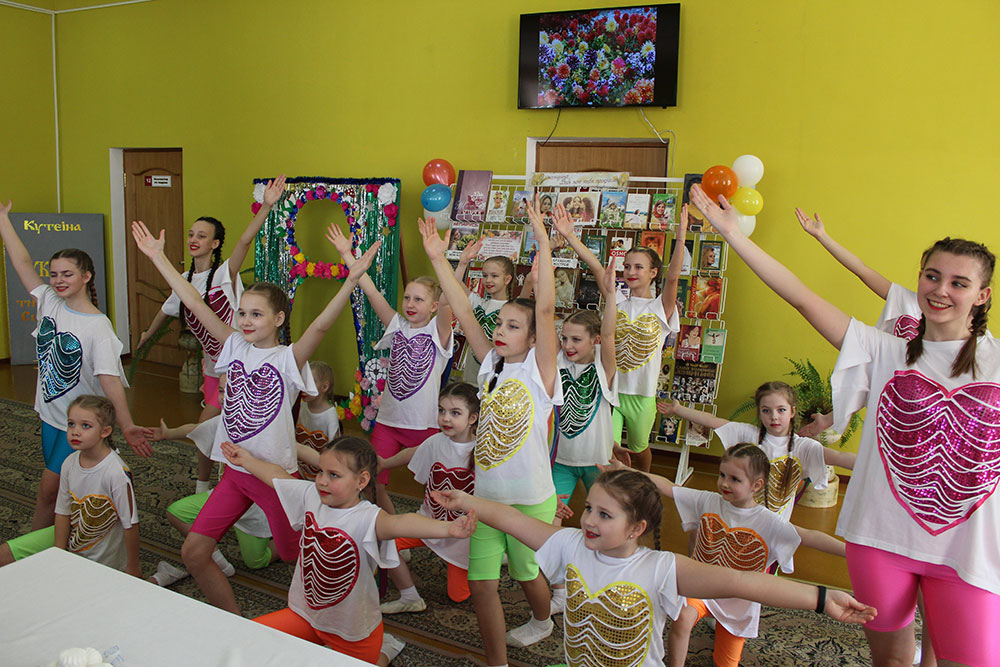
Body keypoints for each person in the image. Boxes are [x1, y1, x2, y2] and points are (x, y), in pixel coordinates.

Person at [691, 182, 996, 666]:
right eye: (932, 276)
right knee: (891, 660)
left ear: (982, 295)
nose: (941, 290)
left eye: (959, 283)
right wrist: (734, 236)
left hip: (968, 546)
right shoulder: (885, 350)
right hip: (881, 537)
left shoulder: (994, 364)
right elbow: (801, 298)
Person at [132, 219, 379, 614]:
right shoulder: (233, 346)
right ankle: (234, 621)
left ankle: (348, 608)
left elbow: (320, 325)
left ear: (278, 320)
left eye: (256, 315)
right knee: (194, 552)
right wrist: (157, 258)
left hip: (274, 479)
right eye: (242, 313)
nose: (246, 321)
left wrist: (351, 280)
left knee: (298, 556)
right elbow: (194, 302)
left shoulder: (287, 359)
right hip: (235, 473)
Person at [431, 469, 876, 667]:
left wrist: (821, 598)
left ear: (636, 528)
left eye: (605, 515)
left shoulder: (661, 568)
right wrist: (466, 500)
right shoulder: (569, 544)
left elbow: (743, 581)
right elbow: (512, 519)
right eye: (590, 509)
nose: (589, 520)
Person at [419, 196, 561, 667]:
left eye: (513, 326)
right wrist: (439, 260)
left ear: (534, 338)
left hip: (530, 500)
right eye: (500, 322)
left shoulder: (541, 373)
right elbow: (463, 309)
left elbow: (546, 311)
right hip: (485, 496)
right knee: (482, 584)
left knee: (525, 573)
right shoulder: (490, 366)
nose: (500, 330)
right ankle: (497, 661)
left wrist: (543, 243)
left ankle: (542, 619)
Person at [222, 436, 476, 665]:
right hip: (304, 615)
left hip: (351, 631)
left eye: (334, 475)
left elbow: (402, 522)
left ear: (361, 481)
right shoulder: (311, 495)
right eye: (321, 471)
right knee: (246, 638)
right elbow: (277, 477)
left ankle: (388, 648)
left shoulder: (367, 518)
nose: (322, 480)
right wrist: (246, 460)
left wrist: (448, 529)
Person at [619, 445, 848, 666]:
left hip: (739, 602)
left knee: (725, 662)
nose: (724, 483)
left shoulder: (769, 522)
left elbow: (809, 536)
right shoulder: (708, 500)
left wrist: (850, 552)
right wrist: (627, 471)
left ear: (756, 485)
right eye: (722, 475)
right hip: (701, 587)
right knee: (683, 618)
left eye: (735, 479)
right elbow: (669, 487)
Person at [0, 200, 151, 530]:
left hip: (80, 422)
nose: (58, 280)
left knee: (47, 491)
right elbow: (21, 261)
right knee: (64, 488)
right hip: (50, 415)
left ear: (86, 276)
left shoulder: (98, 326)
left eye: (67, 274)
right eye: (53, 274)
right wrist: (3, 219)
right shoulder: (49, 301)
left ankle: (37, 547)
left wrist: (126, 425)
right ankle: (72, 534)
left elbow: (109, 380)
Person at [136, 176, 286, 493]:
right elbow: (166, 309)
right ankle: (206, 485)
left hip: (241, 362)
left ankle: (239, 484)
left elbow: (244, 241)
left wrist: (266, 206)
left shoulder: (223, 274)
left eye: (202, 236)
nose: (194, 239)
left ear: (215, 244)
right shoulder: (184, 280)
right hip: (213, 365)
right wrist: (146, 335)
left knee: (221, 425)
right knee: (208, 429)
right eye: (191, 234)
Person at [327, 224, 453, 517]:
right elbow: (371, 292)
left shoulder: (439, 332)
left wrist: (440, 258)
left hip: (423, 425)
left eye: (419, 299)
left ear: (434, 306)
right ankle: (391, 526)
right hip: (388, 420)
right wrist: (347, 254)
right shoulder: (397, 326)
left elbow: (449, 300)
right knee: (371, 481)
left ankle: (431, 528)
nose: (410, 304)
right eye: (407, 298)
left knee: (436, 486)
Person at [552, 199, 688, 471]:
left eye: (638, 267)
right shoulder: (617, 300)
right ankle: (610, 486)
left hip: (642, 394)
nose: (630, 272)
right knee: (607, 448)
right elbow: (595, 266)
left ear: (653, 273)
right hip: (610, 388)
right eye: (627, 266)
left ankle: (643, 482)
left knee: (639, 448)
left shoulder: (660, 307)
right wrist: (569, 236)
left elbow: (673, 278)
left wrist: (681, 236)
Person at [658, 381, 856, 521]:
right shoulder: (749, 434)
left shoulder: (803, 447)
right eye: (766, 410)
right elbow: (713, 421)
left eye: (781, 410)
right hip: (737, 518)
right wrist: (678, 409)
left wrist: (872, 463)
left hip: (773, 527)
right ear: (760, 413)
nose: (774, 417)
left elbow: (840, 457)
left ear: (793, 411)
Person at [0, 396, 140, 577]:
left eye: (86, 426)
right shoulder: (68, 463)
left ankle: (160, 577)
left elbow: (131, 525)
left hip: (102, 564)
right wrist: (59, 555)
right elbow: (62, 512)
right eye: (71, 424)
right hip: (72, 542)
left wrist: (133, 567)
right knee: (4, 555)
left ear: (105, 431)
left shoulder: (116, 473)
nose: (75, 432)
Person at [548, 283, 619, 615]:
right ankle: (559, 589)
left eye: (576, 339)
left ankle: (605, 578)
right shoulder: (556, 364)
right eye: (564, 338)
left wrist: (611, 295)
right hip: (560, 462)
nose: (568, 345)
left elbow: (611, 332)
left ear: (596, 341)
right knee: (550, 523)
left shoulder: (604, 369)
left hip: (597, 464)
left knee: (605, 525)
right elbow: (544, 318)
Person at [378, 382, 479, 613]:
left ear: (472, 418)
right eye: (441, 410)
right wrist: (385, 463)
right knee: (385, 543)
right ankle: (410, 597)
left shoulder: (483, 451)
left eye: (455, 413)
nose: (445, 418)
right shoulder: (435, 441)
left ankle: (491, 557)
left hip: (462, 536)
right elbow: (412, 452)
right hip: (428, 522)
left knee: (458, 595)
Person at [146, 415, 276, 586]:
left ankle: (292, 539)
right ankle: (214, 558)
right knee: (176, 512)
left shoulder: (267, 428)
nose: (221, 400)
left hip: (255, 507)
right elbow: (197, 428)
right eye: (222, 396)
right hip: (226, 498)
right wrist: (168, 434)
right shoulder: (228, 418)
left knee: (256, 561)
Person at [453, 239, 516, 383]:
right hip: (471, 376)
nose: (488, 280)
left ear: (507, 279)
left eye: (494, 276)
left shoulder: (512, 309)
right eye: (485, 275)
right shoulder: (478, 303)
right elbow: (453, 285)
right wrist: (462, 263)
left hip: (495, 378)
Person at [294, 361, 342, 480]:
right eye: (303, 381)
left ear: (324, 387)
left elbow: (335, 448)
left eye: (309, 382)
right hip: (299, 471)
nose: (303, 386)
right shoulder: (301, 407)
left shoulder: (330, 415)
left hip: (320, 476)